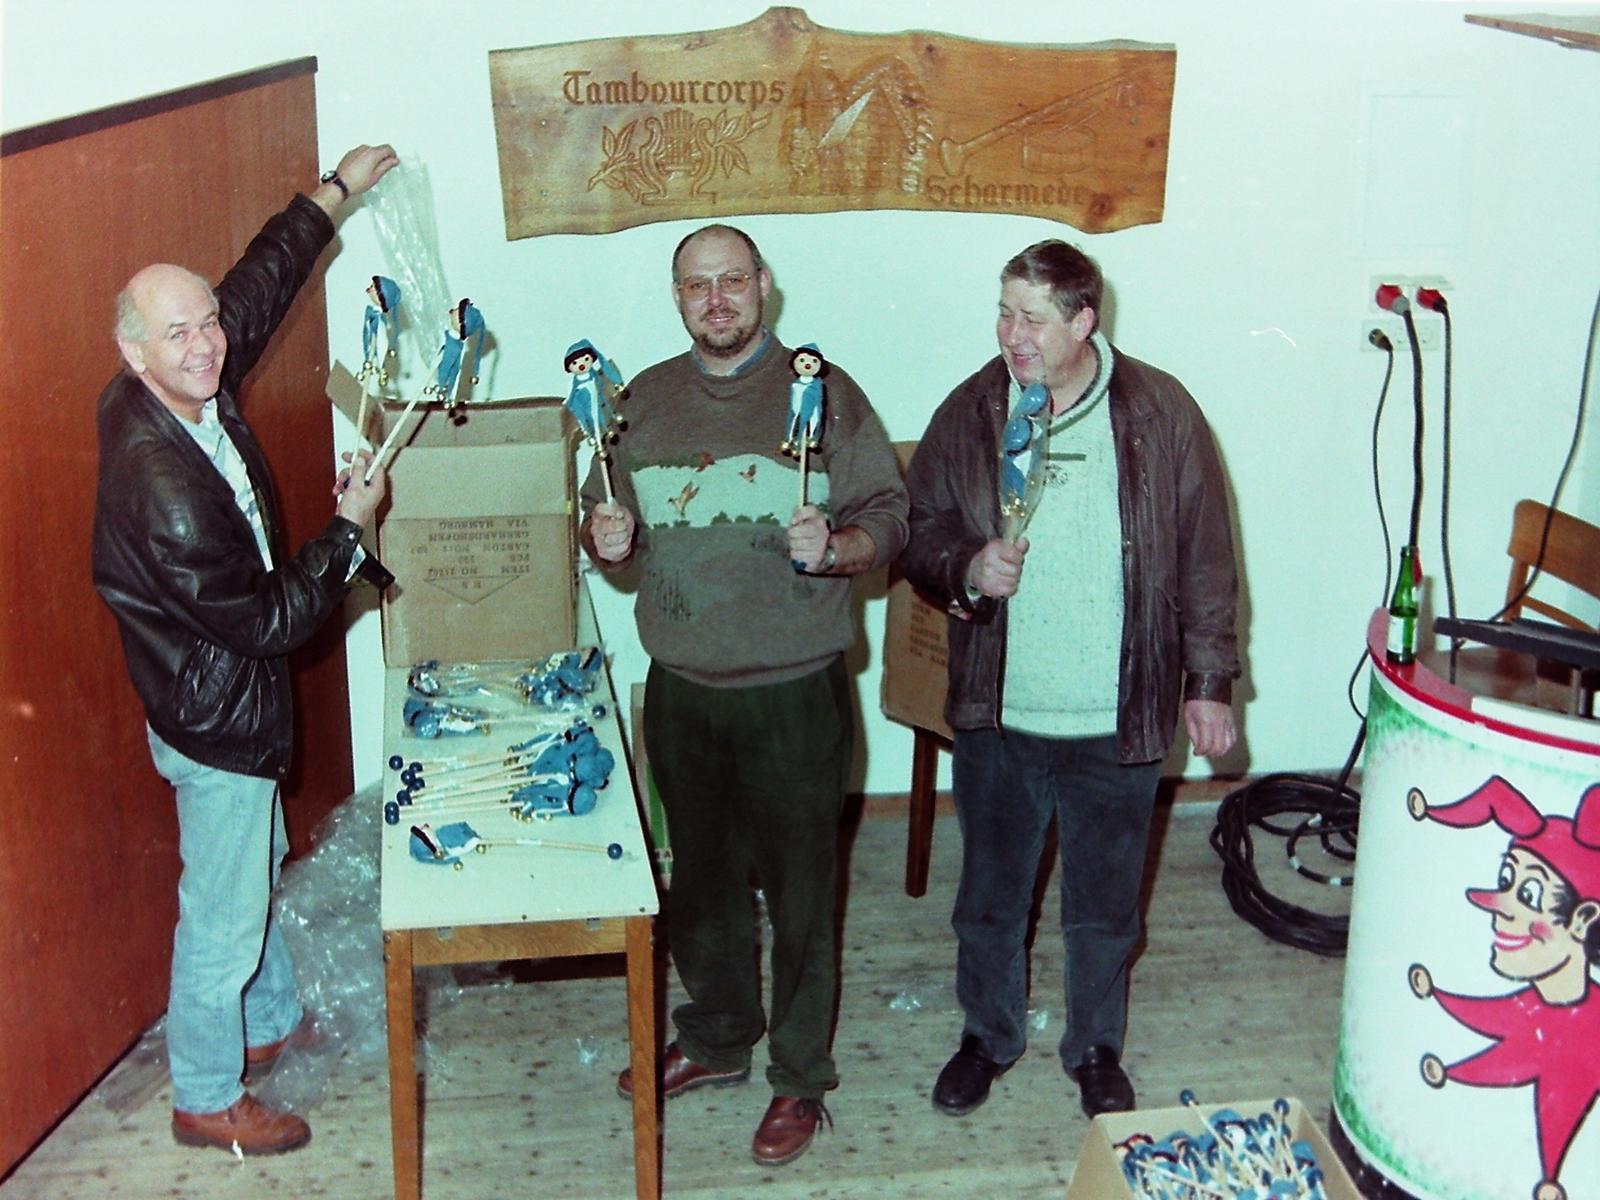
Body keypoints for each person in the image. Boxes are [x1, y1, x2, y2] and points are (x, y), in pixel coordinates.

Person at [92, 143, 398, 1155]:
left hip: (218, 696)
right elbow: (270, 620)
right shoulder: (163, 484)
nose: (207, 345)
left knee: (252, 868)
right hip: (219, 715)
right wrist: (349, 529)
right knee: (222, 917)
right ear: (135, 352)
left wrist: (337, 191)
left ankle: (262, 1027)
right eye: (179, 333)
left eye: (206, 323)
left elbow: (255, 288)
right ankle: (206, 1093)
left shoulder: (176, 381)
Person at [579, 224, 908, 1166]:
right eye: (698, 285)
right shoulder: (640, 403)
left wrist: (837, 549)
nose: (716, 299)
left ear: (764, 285)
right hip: (683, 690)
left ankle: (800, 1077)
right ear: (677, 297)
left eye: (733, 280)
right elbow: (606, 521)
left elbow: (890, 516)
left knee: (803, 896)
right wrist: (605, 539)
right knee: (700, 884)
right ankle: (720, 1036)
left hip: (794, 693)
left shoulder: (823, 392)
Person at [900, 238, 1240, 1120]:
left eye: (1032, 319)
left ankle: (1095, 1047)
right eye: (1004, 313)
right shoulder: (973, 410)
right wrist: (967, 565)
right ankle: (987, 1037)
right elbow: (916, 528)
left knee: (1104, 907)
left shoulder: (1161, 412)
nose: (1012, 335)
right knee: (988, 899)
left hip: (1118, 716)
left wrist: (1208, 682)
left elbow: (1206, 558)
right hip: (1001, 712)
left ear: (1084, 321)